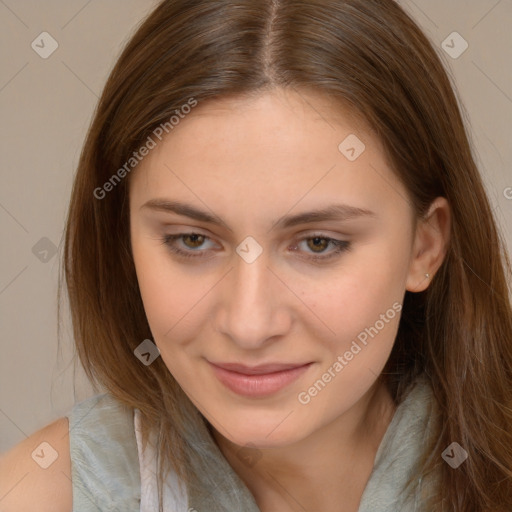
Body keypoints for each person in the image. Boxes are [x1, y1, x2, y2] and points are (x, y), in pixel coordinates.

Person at [1, 0, 511, 510]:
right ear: (122, 236)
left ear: (424, 247)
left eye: (318, 244)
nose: (248, 324)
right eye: (191, 240)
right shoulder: (36, 494)